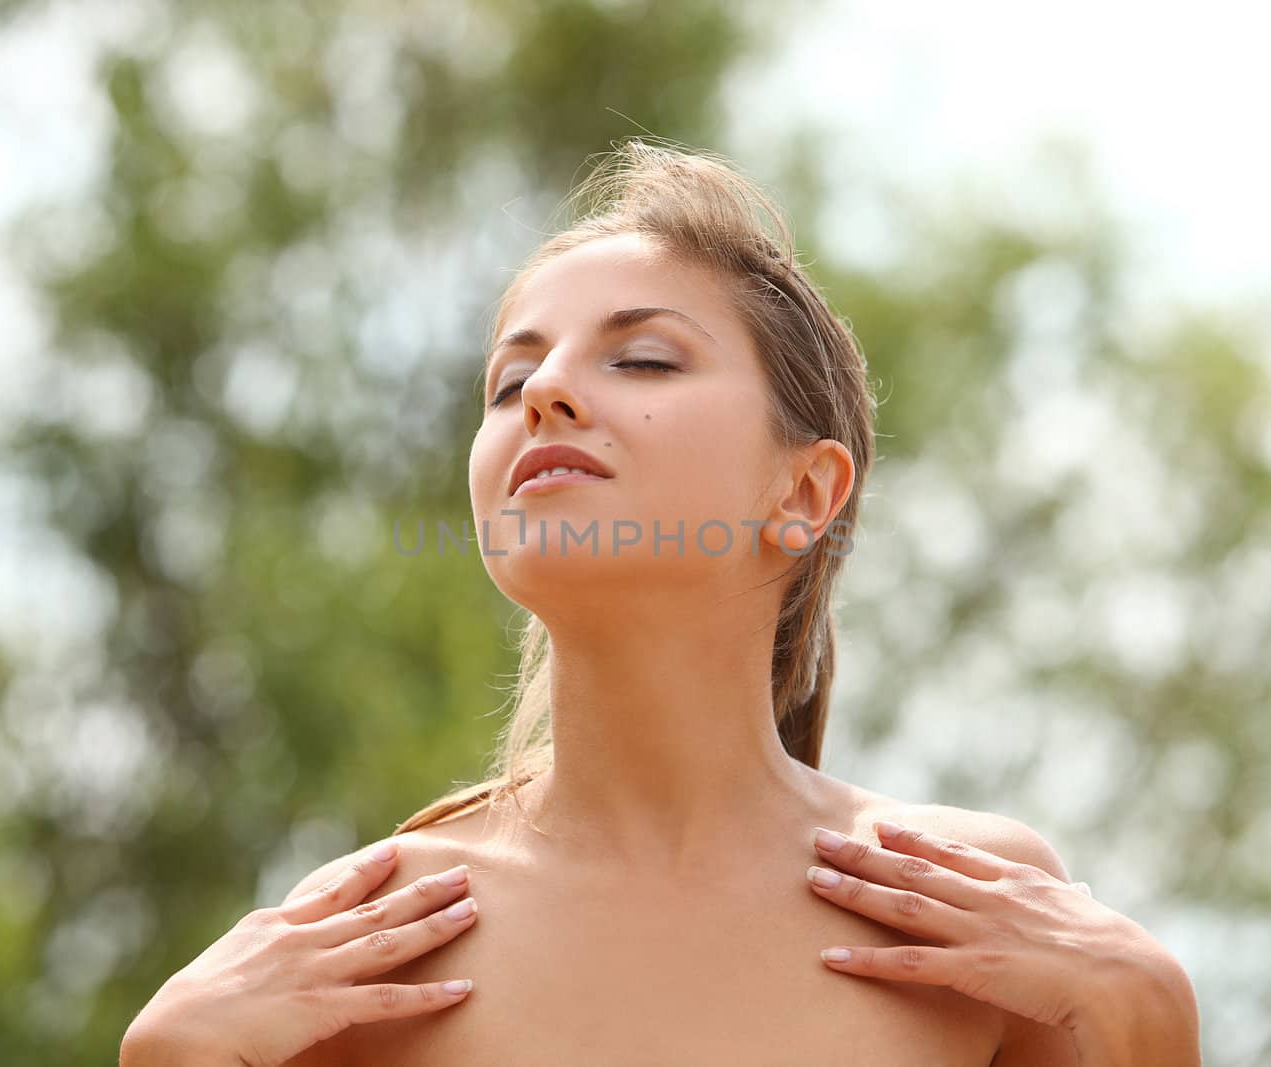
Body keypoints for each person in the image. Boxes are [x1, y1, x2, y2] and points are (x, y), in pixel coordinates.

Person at [122, 140, 1201, 1067]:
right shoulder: (369, 936)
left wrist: (1146, 1015)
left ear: (804, 491)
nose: (545, 393)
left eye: (640, 357)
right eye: (509, 382)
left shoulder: (979, 905)